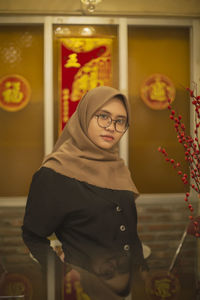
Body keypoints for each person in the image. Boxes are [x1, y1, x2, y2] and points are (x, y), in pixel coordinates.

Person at [22, 86, 148, 300]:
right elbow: (33, 235)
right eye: (103, 116)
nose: (111, 127)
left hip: (129, 288)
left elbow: (130, 232)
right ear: (85, 116)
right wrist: (62, 274)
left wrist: (143, 272)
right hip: (83, 290)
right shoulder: (54, 174)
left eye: (120, 121)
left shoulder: (117, 167)